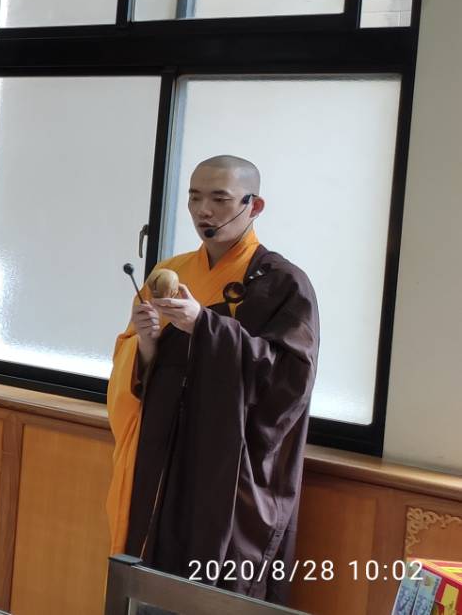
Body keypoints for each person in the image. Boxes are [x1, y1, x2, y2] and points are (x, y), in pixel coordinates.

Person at [107, 156, 318, 603]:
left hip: (230, 466)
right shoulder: (172, 270)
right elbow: (138, 371)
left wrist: (204, 325)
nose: (204, 210)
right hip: (163, 454)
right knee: (150, 576)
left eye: (220, 199)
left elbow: (289, 380)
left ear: (254, 205)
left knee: (217, 584)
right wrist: (147, 344)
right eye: (195, 198)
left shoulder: (284, 284)